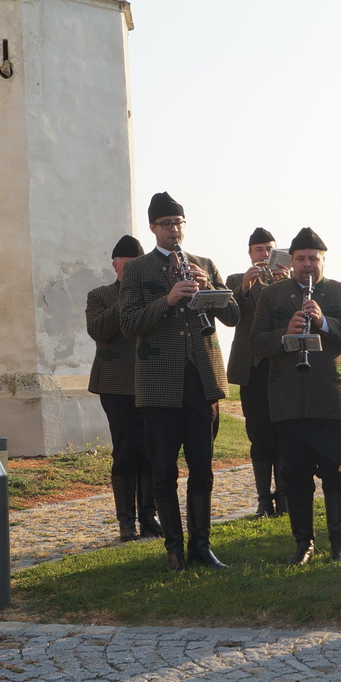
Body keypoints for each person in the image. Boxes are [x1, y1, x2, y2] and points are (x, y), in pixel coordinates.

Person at [119, 192, 241, 571]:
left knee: (202, 469)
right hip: (158, 385)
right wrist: (169, 299)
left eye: (178, 223)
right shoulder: (138, 270)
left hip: (201, 381)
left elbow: (234, 316)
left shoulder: (204, 264)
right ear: (153, 228)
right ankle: (175, 548)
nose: (174, 230)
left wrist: (209, 292)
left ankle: (201, 547)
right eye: (167, 224)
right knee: (164, 471)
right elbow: (129, 323)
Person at [251, 228, 341, 566]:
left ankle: (339, 543)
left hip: (330, 397)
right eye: (301, 259)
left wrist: (325, 322)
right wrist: (284, 334)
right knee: (295, 475)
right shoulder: (272, 294)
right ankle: (303, 543)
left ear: (323, 261)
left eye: (313, 259)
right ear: (291, 261)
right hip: (288, 398)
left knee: (336, 473)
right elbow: (255, 343)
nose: (307, 265)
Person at [86, 234, 159, 542]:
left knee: (152, 449)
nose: (130, 272)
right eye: (125, 266)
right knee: (127, 449)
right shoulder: (100, 295)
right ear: (114, 266)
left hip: (151, 382)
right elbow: (98, 330)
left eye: (135, 267)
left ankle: (149, 517)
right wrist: (125, 300)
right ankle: (126, 521)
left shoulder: (153, 295)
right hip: (115, 385)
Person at [227, 227, 291, 518]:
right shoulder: (236, 280)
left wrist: (288, 285)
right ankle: (264, 500)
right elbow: (230, 316)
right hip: (252, 369)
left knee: (284, 435)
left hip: (283, 366)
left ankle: (285, 497)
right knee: (259, 435)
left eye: (269, 249)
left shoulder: (291, 281)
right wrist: (244, 287)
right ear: (250, 254)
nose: (265, 254)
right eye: (259, 250)